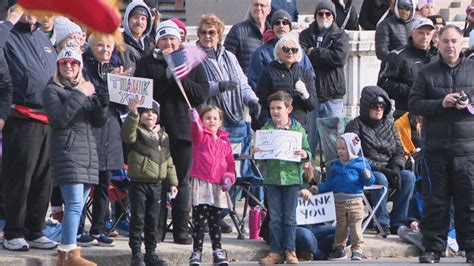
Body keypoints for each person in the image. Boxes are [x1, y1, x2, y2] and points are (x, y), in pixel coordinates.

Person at [135, 20, 209, 245]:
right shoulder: (147, 63)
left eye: (172, 38)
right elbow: (144, 95)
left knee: (182, 182)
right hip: (156, 131)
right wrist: (166, 76)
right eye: (164, 38)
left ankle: (181, 230)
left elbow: (201, 94)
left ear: (179, 41)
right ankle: (156, 230)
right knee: (158, 181)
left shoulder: (191, 62)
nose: (168, 42)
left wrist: (180, 76)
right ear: (157, 41)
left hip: (183, 131)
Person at [409, 25, 474, 264]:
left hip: (468, 150)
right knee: (436, 201)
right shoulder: (427, 72)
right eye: (445, 41)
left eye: (454, 41)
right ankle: (433, 249)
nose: (450, 46)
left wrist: (468, 102)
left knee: (469, 201)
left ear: (462, 43)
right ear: (438, 43)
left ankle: (471, 248)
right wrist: (441, 104)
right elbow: (414, 103)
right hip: (436, 149)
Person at [42, 42, 108, 266]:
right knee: (73, 205)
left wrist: (102, 105)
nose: (68, 66)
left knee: (77, 206)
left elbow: (98, 122)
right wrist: (80, 93)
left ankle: (66, 254)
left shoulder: (85, 89)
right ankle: (70, 252)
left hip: (88, 155)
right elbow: (59, 118)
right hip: (68, 153)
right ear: (58, 66)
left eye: (73, 62)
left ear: (79, 66)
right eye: (64, 62)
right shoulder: (52, 89)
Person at [0, 5, 58, 251]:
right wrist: (7, 23)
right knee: (20, 178)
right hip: (21, 116)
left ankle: (35, 230)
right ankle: (13, 231)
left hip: (47, 118)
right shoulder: (7, 34)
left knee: (43, 179)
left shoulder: (42, 39)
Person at [77, 33, 130, 247]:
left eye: (109, 46)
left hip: (112, 134)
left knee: (104, 185)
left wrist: (123, 85)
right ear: (91, 47)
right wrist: (109, 85)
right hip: (90, 134)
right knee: (82, 186)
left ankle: (98, 229)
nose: (105, 50)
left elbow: (124, 108)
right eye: (100, 45)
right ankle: (79, 230)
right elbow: (92, 99)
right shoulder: (84, 68)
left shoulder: (113, 70)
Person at [345, 86, 416, 236]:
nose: (378, 109)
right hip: (364, 171)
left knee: (409, 177)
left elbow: (398, 150)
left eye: (382, 106)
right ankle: (382, 224)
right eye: (374, 106)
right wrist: (384, 170)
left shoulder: (390, 125)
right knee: (381, 178)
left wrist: (396, 168)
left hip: (389, 168)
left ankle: (398, 222)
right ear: (366, 107)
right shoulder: (354, 125)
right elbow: (355, 156)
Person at [121, 99, 178, 266]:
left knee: (153, 219)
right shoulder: (136, 131)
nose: (150, 115)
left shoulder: (164, 135)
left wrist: (173, 182)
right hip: (139, 183)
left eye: (153, 112)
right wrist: (133, 114)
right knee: (138, 218)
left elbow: (169, 161)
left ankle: (151, 252)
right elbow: (127, 135)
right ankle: (136, 253)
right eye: (146, 112)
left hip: (157, 184)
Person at [257, 91, 311, 265]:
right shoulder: (266, 130)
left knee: (290, 218)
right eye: (272, 108)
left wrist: (305, 154)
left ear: (289, 109)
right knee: (275, 218)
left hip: (292, 179)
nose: (275, 111)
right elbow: (260, 156)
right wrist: (256, 152)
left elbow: (308, 152)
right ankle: (275, 252)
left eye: (279, 108)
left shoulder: (298, 129)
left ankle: (290, 250)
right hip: (272, 179)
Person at [311, 133, 375, 261]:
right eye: (338, 148)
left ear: (352, 149)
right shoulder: (336, 166)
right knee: (340, 228)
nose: (340, 151)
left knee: (356, 227)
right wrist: (319, 188)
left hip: (355, 202)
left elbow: (369, 182)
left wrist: (368, 176)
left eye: (343, 148)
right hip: (338, 202)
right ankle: (339, 249)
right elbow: (330, 184)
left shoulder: (361, 164)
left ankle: (357, 250)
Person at [187, 105, 235, 265]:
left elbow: (230, 164)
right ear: (202, 120)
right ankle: (197, 252)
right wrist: (195, 122)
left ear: (220, 121)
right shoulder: (201, 136)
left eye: (215, 118)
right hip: (202, 182)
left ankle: (218, 250)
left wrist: (229, 178)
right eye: (208, 118)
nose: (212, 121)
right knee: (199, 220)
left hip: (217, 185)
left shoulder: (225, 141)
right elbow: (196, 132)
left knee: (215, 220)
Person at [377, 18, 438, 118]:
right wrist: (414, 90)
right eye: (421, 33)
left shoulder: (439, 56)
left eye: (428, 34)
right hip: (406, 115)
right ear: (412, 33)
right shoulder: (397, 56)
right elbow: (383, 84)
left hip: (434, 114)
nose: (425, 37)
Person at [255, 34, 317, 131]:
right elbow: (261, 102)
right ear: (278, 52)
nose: (290, 52)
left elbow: (312, 105)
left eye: (294, 50)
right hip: (274, 127)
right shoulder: (268, 72)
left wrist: (305, 95)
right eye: (286, 49)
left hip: (298, 127)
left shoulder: (304, 73)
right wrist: (267, 125)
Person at [299, 1, 349, 118]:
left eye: (328, 14)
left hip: (332, 97)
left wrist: (315, 51)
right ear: (315, 16)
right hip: (310, 95)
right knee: (311, 136)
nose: (324, 17)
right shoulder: (305, 34)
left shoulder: (340, 35)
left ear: (333, 17)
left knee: (333, 136)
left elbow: (339, 58)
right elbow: (302, 58)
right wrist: (328, 55)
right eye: (320, 14)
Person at [248, 9, 315, 91]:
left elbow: (311, 76)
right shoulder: (261, 53)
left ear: (290, 28)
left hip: (297, 101)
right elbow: (254, 80)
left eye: (285, 23)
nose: (281, 26)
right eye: (277, 23)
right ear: (272, 28)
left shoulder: (298, 51)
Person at [223, 0, 271, 74]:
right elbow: (226, 61)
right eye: (255, 5)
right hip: (245, 84)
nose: (258, 8)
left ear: (269, 10)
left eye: (262, 5)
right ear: (250, 8)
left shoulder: (272, 34)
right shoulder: (237, 31)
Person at [122, 0, 154, 74]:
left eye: (143, 19)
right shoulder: (118, 43)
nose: (139, 22)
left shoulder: (152, 44)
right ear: (127, 19)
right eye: (135, 17)